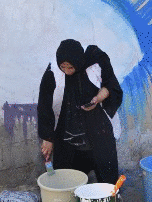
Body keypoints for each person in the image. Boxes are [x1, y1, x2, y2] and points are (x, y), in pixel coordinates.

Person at [37, 39, 123, 184]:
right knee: (66, 177)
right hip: (67, 129)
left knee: (106, 170)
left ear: (78, 62)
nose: (66, 71)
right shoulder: (53, 72)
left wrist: (97, 99)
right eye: (63, 67)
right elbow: (44, 105)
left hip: (98, 126)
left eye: (70, 67)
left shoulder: (96, 59)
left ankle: (109, 194)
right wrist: (47, 138)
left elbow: (112, 85)